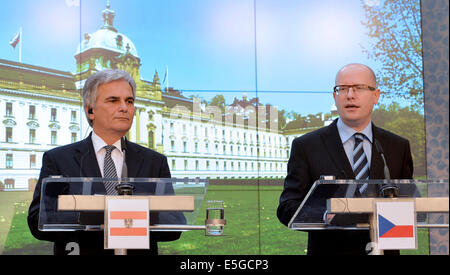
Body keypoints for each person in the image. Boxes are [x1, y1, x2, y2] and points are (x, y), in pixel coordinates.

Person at [28, 69, 183, 255]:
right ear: (90, 110)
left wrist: (122, 216)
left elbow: (173, 223)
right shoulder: (59, 159)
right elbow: (38, 221)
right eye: (113, 100)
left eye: (130, 101)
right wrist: (100, 213)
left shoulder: (155, 161)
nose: (124, 107)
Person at [277, 63, 413, 255]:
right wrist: (326, 215)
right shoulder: (306, 146)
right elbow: (287, 207)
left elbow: (409, 202)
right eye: (342, 89)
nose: (350, 95)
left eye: (359, 88)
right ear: (335, 96)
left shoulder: (397, 147)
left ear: (376, 96)